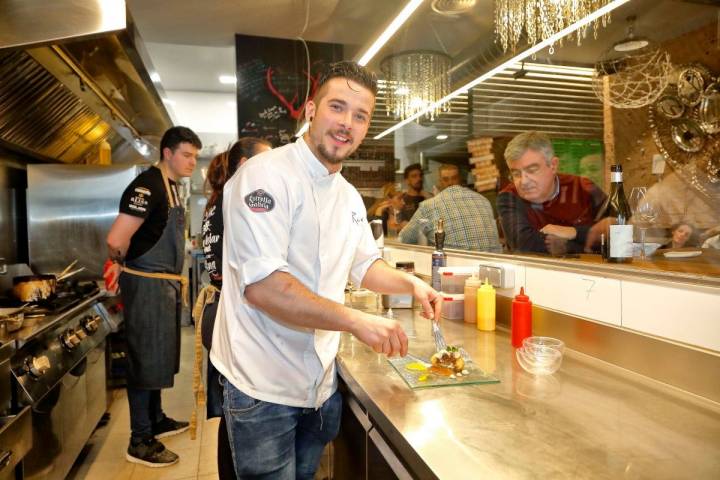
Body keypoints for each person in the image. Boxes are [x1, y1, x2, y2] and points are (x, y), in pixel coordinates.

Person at [210, 61, 442, 479]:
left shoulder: (349, 196)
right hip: (262, 385)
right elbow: (264, 288)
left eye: (360, 116)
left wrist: (411, 283)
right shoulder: (264, 176)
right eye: (338, 107)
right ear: (312, 109)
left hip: (319, 387)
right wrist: (356, 321)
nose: (346, 124)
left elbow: (364, 264)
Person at [105, 126, 202, 467]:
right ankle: (139, 439)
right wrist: (124, 265)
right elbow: (117, 239)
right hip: (147, 283)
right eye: (187, 155)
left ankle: (156, 419)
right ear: (167, 153)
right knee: (145, 358)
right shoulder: (146, 187)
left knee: (157, 355)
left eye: (195, 156)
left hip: (163, 285)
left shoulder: (171, 187)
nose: (193, 162)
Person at [193, 138, 271, 480]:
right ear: (244, 166)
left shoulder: (218, 200)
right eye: (266, 163)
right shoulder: (241, 201)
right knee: (239, 411)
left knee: (232, 412)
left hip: (220, 309)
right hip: (234, 315)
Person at [496, 131, 609, 255]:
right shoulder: (509, 197)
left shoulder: (583, 188)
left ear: (553, 166)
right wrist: (581, 242)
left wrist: (572, 232)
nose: (524, 181)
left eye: (532, 170)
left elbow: (619, 232)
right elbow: (526, 246)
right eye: (516, 174)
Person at [399, 164, 502, 252]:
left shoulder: (430, 205)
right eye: (446, 179)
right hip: (493, 264)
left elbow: (404, 239)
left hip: (453, 266)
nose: (450, 183)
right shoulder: (483, 200)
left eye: (454, 178)